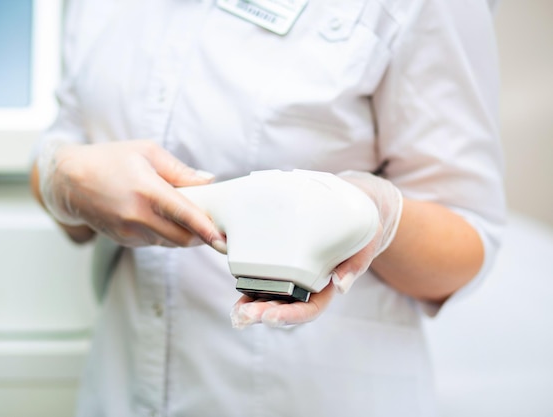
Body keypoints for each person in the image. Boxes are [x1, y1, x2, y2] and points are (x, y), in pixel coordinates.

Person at [30, 0, 505, 416]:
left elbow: (468, 241)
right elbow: (67, 149)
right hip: (123, 387)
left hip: (313, 395)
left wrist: (375, 214)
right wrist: (61, 180)